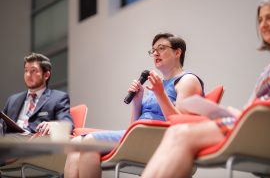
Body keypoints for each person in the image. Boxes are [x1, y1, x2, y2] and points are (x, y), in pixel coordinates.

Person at [141, 0, 270, 178]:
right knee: (176, 133)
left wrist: (247, 113)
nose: (263, 25)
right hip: (253, 121)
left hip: (267, 128)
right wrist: (238, 113)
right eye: (260, 19)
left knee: (181, 134)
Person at [64, 32, 205, 178]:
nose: (156, 53)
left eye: (161, 48)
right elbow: (134, 125)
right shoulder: (158, 85)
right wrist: (137, 101)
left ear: (177, 52)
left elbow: (181, 125)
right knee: (76, 144)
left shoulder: (187, 80)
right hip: (137, 135)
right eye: (153, 50)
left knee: (89, 142)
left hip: (159, 138)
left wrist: (161, 94)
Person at [0, 52, 74, 137]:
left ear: (46, 75)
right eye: (26, 70)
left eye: (33, 71)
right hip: (8, 141)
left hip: (35, 141)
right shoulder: (13, 100)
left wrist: (54, 125)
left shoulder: (58, 98)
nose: (28, 75)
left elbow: (68, 125)